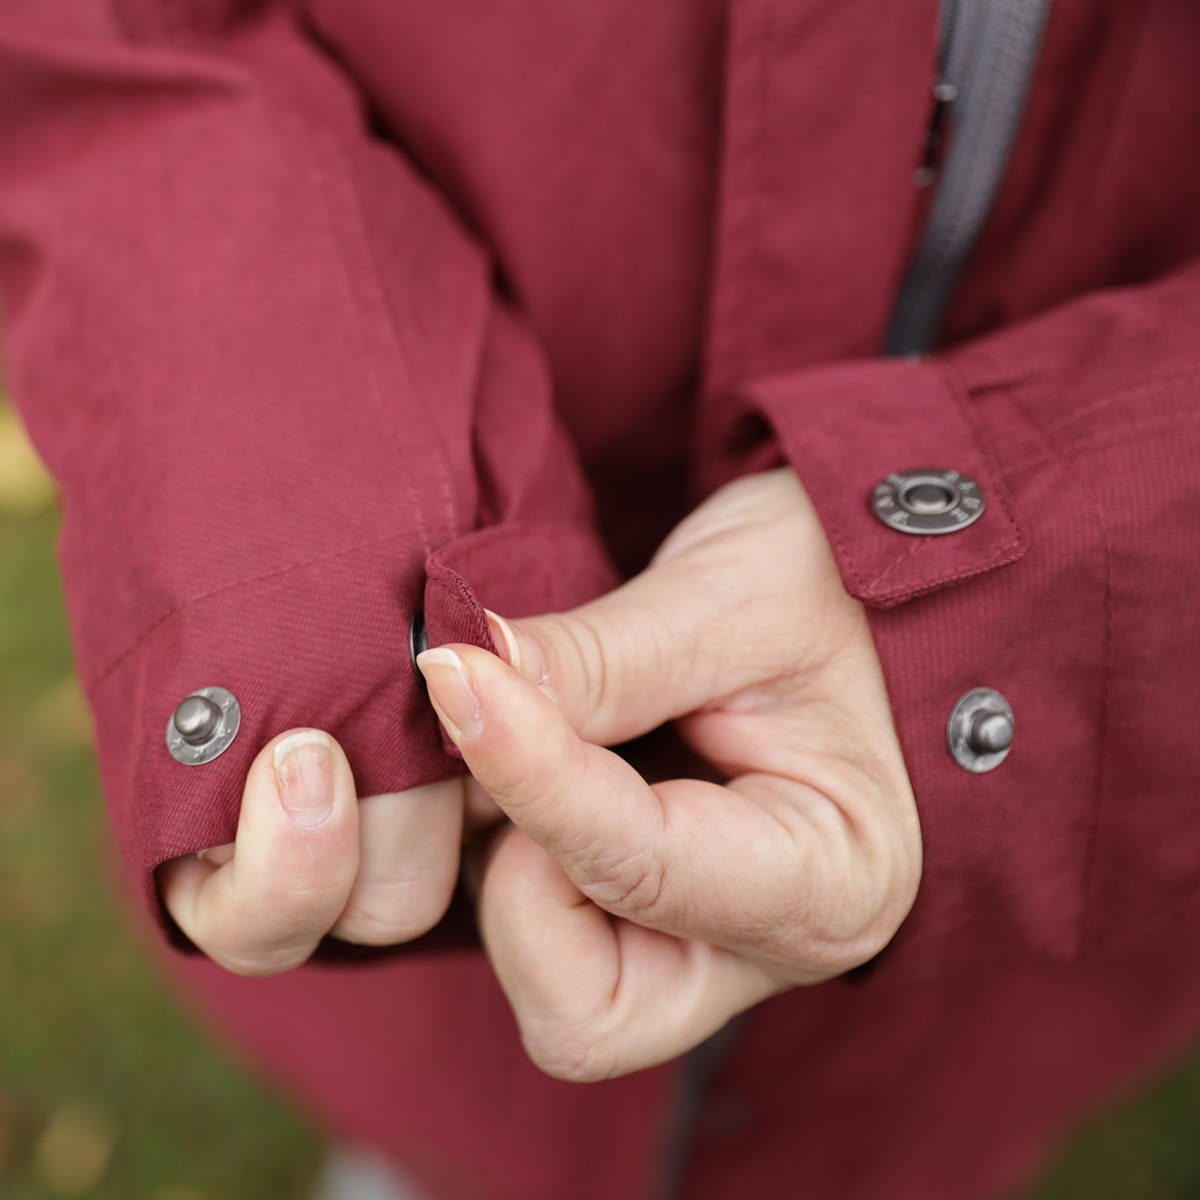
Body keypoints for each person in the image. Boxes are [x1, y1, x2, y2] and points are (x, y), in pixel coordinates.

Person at [1, 1, 1198, 1197]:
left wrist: (1020, 584)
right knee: (449, 1124)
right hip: (448, 891)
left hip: (1007, 942)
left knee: (916, 1132)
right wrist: (308, 565)